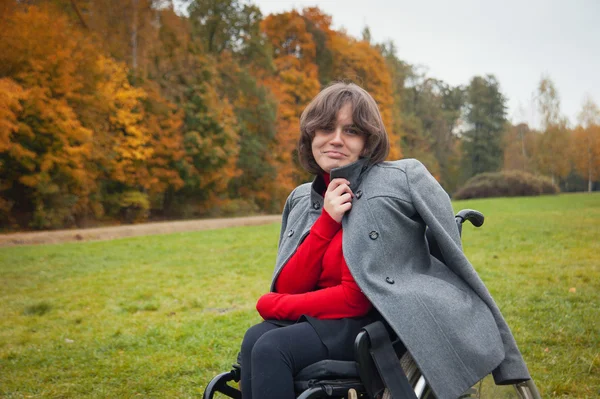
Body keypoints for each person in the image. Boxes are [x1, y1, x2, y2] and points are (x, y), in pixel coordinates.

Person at [239, 82, 530, 399]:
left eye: (350, 131)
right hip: (320, 319)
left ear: (366, 142)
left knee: (271, 346)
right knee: (255, 338)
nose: (335, 139)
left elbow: (356, 299)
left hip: (374, 322)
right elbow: (291, 286)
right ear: (311, 136)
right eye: (325, 128)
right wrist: (327, 220)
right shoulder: (301, 198)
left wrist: (273, 304)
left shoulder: (399, 179)